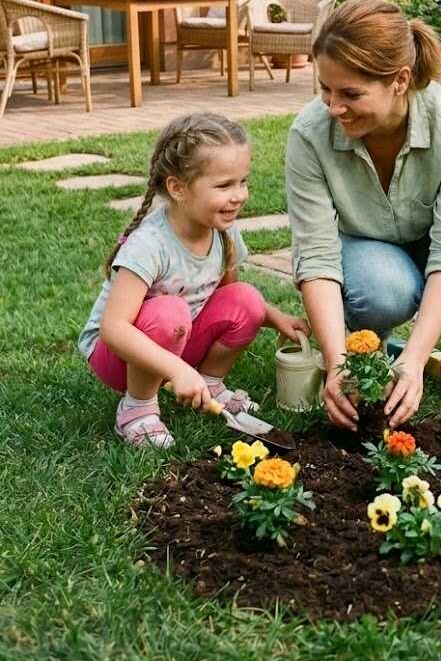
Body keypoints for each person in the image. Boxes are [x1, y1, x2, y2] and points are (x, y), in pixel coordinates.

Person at [286, 0, 441, 431]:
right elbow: (317, 256)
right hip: (368, 256)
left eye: (350, 94)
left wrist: (416, 361)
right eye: (325, 88)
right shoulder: (310, 135)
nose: (332, 107)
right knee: (385, 288)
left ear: (400, 81)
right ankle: (368, 350)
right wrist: (335, 361)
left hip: (432, 246)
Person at [78, 113, 308, 448]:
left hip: (176, 340)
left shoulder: (223, 232)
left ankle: (211, 384)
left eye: (243, 181)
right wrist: (176, 369)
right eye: (224, 185)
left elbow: (230, 298)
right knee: (168, 313)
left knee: (246, 298)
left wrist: (277, 319)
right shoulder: (150, 245)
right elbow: (114, 330)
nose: (240, 195)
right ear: (177, 188)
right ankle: (137, 410)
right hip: (119, 358)